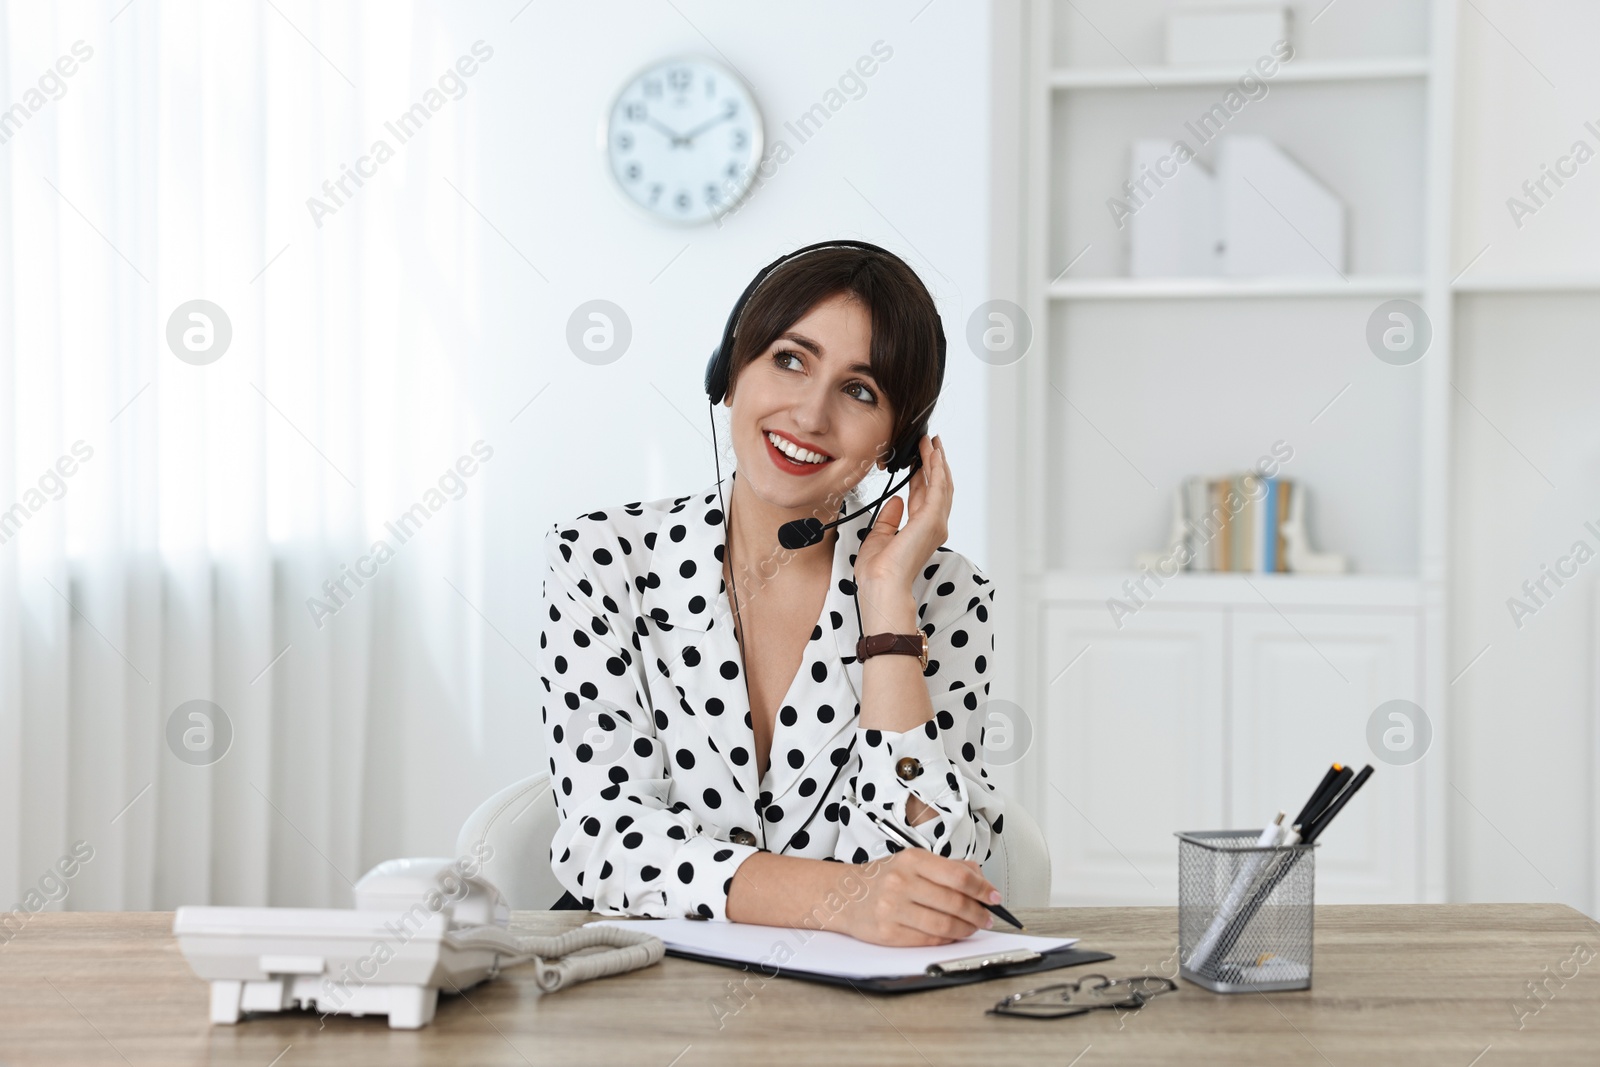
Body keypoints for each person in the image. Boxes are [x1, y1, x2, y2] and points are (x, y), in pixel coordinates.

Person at [538, 242, 1004, 946]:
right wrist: (839, 899)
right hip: (646, 992)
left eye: (860, 391)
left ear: (896, 446)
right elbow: (604, 838)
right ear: (730, 373)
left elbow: (928, 875)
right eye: (790, 359)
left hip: (855, 1017)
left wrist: (885, 607)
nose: (810, 415)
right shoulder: (601, 561)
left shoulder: (943, 595)